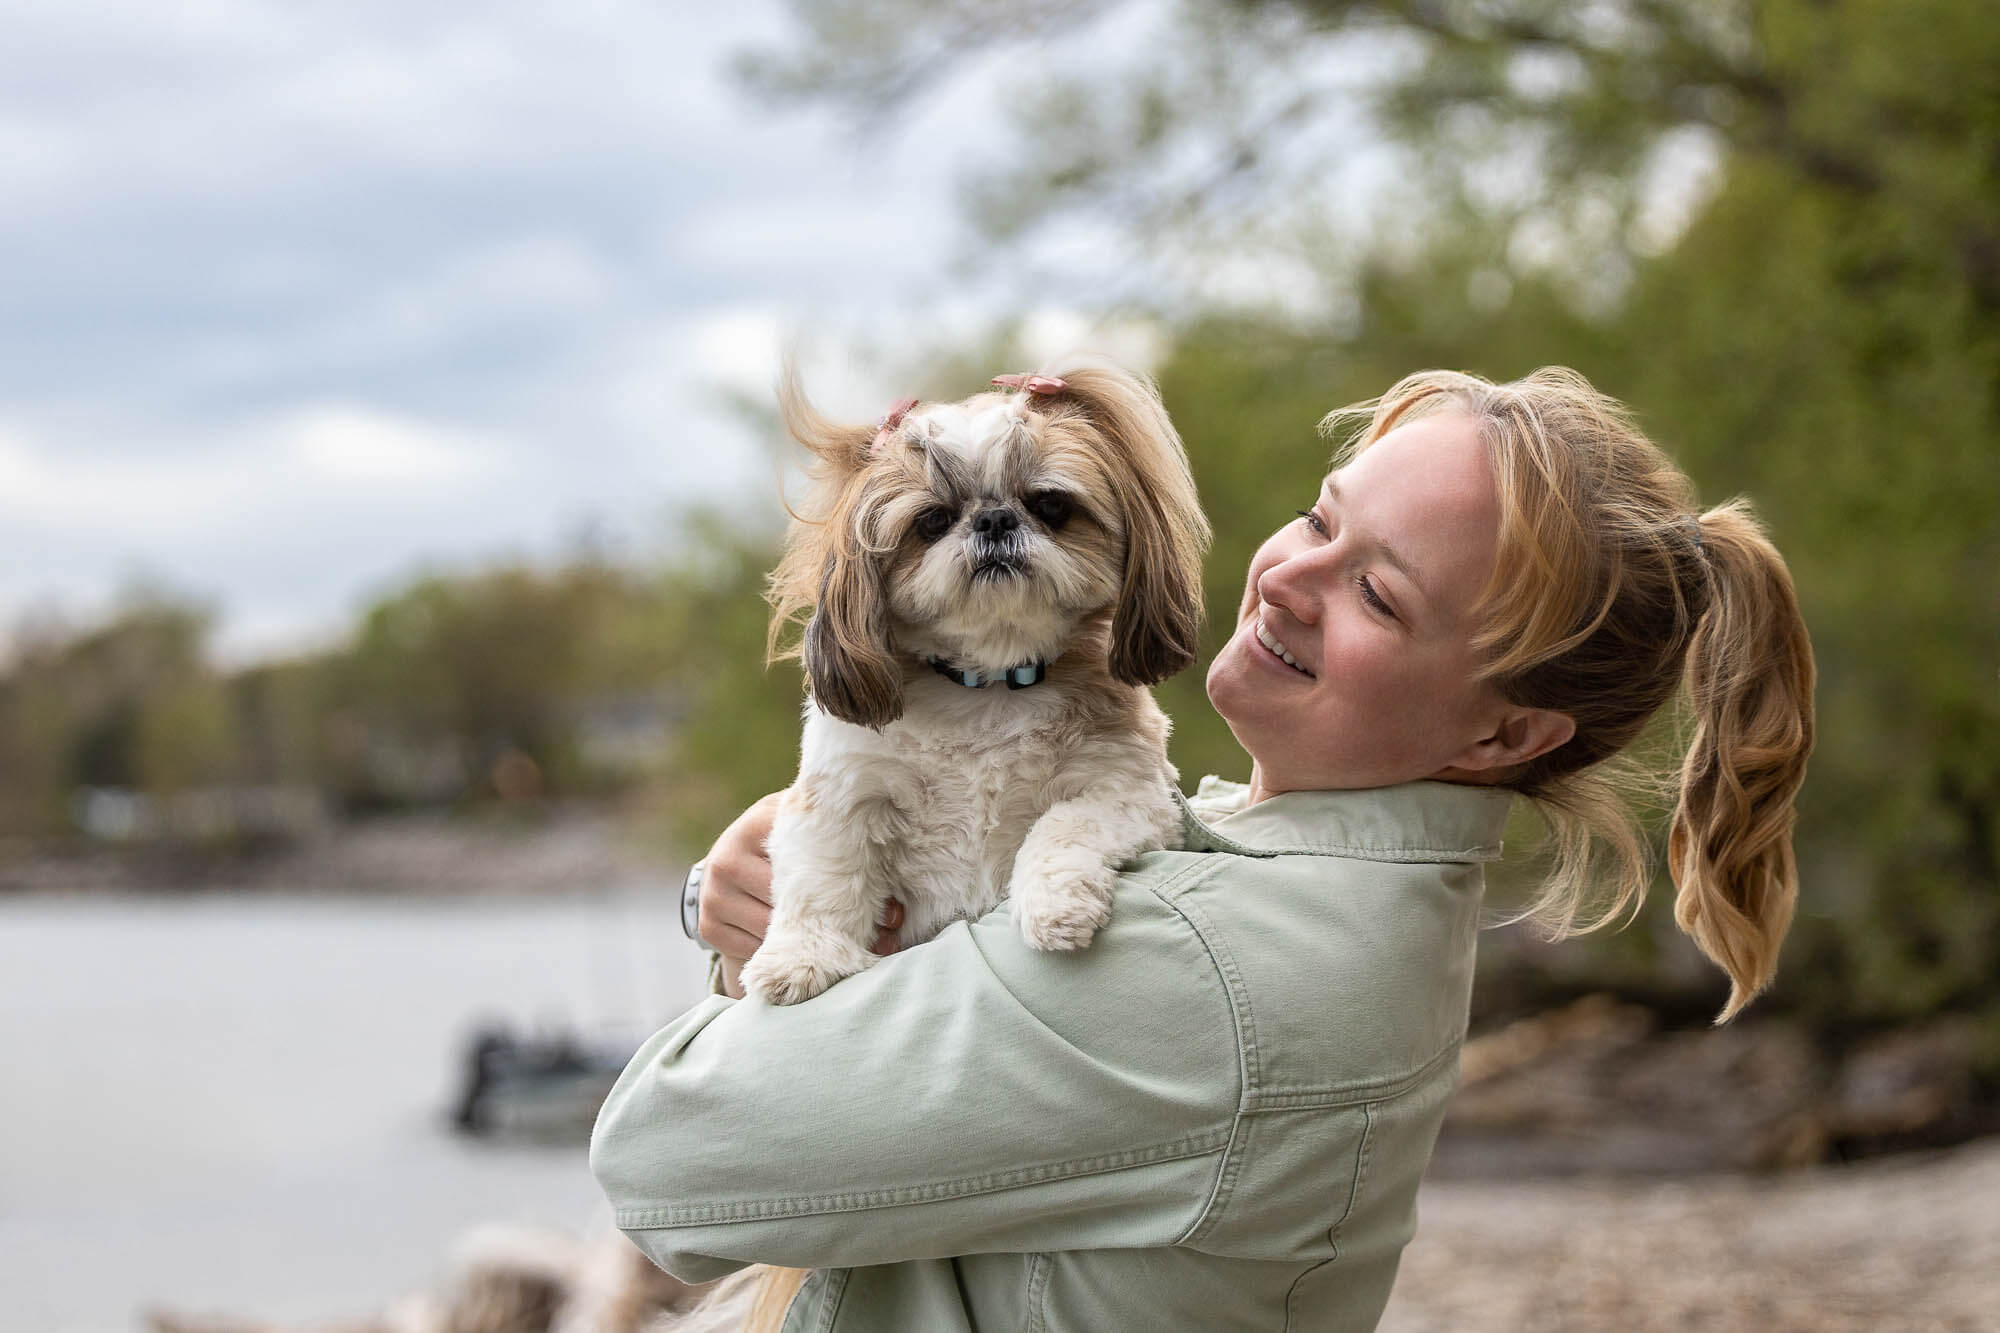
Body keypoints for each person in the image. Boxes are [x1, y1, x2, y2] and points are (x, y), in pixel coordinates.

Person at [589, 366, 1815, 1332]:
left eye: (1377, 594)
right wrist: (753, 893)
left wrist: (727, 945)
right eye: (1318, 519)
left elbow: (663, 1158)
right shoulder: (1265, 867)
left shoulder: (1207, 968)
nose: (1287, 578)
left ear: (1509, 729)